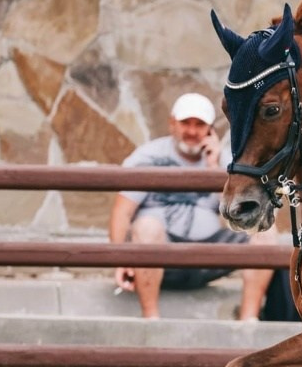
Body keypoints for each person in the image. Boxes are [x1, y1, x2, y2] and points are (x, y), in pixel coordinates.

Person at [109, 92, 274, 321]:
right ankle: (151, 320)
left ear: (210, 130)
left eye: (200, 125)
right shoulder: (148, 157)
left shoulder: (225, 160)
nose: (192, 131)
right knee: (147, 226)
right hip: (160, 256)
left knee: (264, 233)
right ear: (171, 124)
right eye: (185, 123)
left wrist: (214, 167)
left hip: (210, 256)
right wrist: (120, 260)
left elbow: (234, 218)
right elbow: (122, 211)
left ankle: (248, 321)